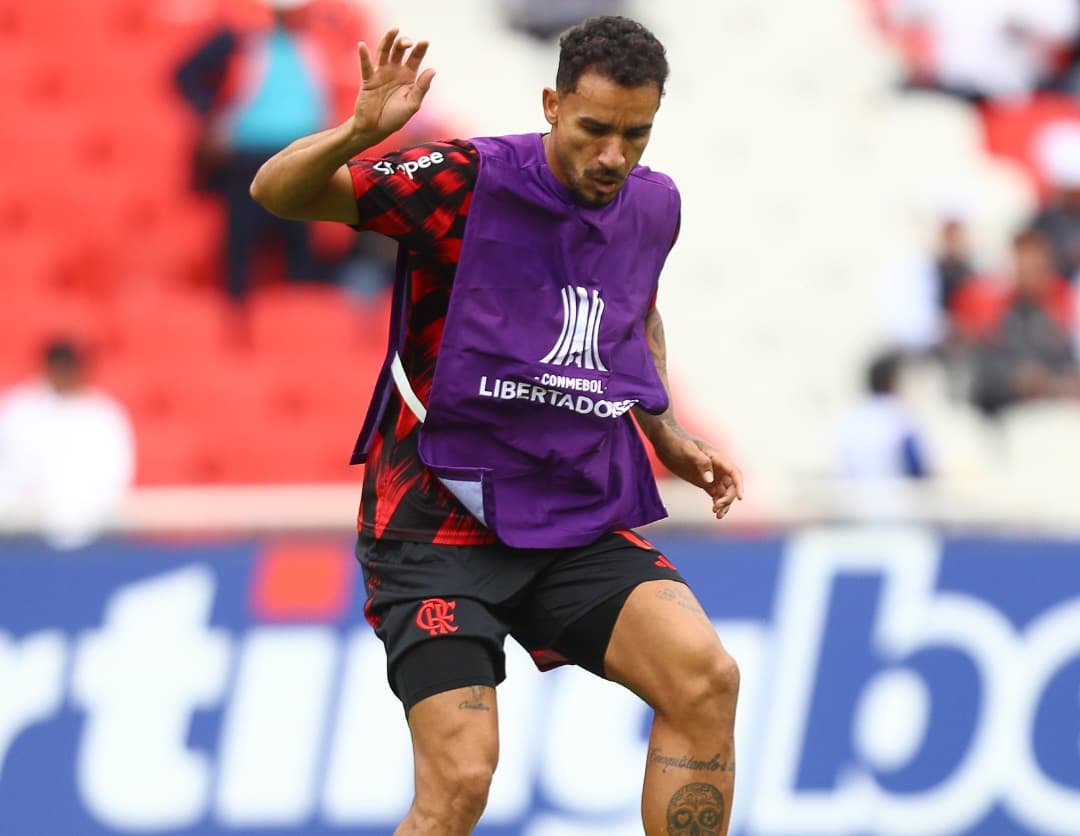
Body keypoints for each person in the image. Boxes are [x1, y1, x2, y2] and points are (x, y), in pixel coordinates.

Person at [251, 17, 743, 835]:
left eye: (635, 134)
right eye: (594, 129)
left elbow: (634, 315)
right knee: (461, 783)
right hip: (436, 524)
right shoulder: (465, 181)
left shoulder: (653, 205)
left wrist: (664, 430)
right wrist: (356, 134)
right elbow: (277, 192)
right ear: (551, 104)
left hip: (567, 513)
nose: (614, 156)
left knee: (705, 677)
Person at [0, 339, 135, 549]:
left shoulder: (104, 414)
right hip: (22, 533)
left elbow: (115, 473)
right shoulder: (17, 409)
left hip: (91, 532)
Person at [971, 228, 1080, 414]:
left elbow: (1067, 369)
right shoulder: (995, 319)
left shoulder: (1052, 322)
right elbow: (981, 381)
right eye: (1024, 268)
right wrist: (1015, 381)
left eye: (1036, 269)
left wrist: (1055, 384)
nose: (1030, 277)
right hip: (1009, 421)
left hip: (1051, 418)